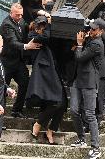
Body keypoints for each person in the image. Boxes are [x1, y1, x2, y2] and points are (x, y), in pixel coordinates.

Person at [26, 16, 67, 145]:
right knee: (56, 102)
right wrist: (48, 25)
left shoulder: (47, 33)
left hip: (53, 72)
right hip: (43, 74)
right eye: (42, 25)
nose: (44, 27)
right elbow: (44, 38)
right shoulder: (33, 35)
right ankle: (38, 124)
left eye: (45, 25)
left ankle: (51, 129)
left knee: (63, 103)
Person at [0, 3, 41, 118]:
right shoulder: (6, 25)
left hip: (18, 62)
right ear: (11, 13)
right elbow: (13, 42)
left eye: (21, 15)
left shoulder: (21, 20)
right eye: (17, 15)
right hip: (6, 62)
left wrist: (37, 27)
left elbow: (27, 27)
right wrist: (27, 46)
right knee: (2, 89)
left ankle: (17, 110)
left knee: (25, 83)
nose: (20, 17)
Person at [70, 19, 104, 159]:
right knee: (74, 110)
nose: (91, 31)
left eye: (94, 29)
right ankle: (81, 139)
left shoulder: (97, 44)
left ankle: (96, 148)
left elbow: (79, 57)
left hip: (89, 82)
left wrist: (79, 44)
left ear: (101, 31)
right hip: (79, 80)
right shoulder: (90, 39)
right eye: (91, 28)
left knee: (90, 114)